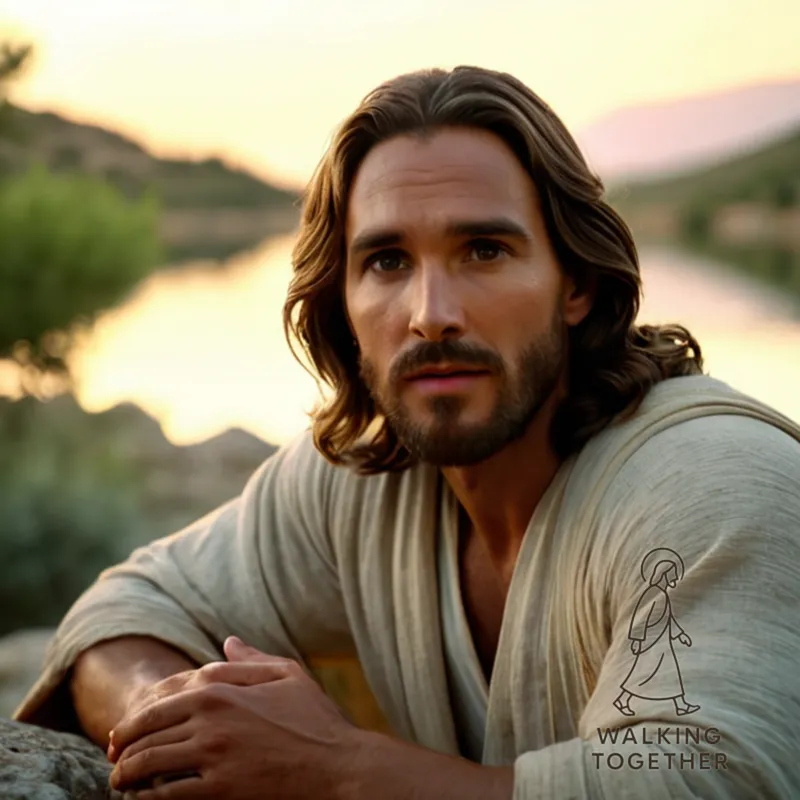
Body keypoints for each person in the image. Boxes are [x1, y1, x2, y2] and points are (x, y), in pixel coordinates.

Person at [14, 65, 800, 799]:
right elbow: (123, 614)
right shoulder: (364, 483)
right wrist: (182, 720)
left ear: (577, 284)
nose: (430, 314)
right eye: (387, 261)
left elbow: (710, 778)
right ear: (343, 304)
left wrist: (337, 770)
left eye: (484, 250)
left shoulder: (712, 480)